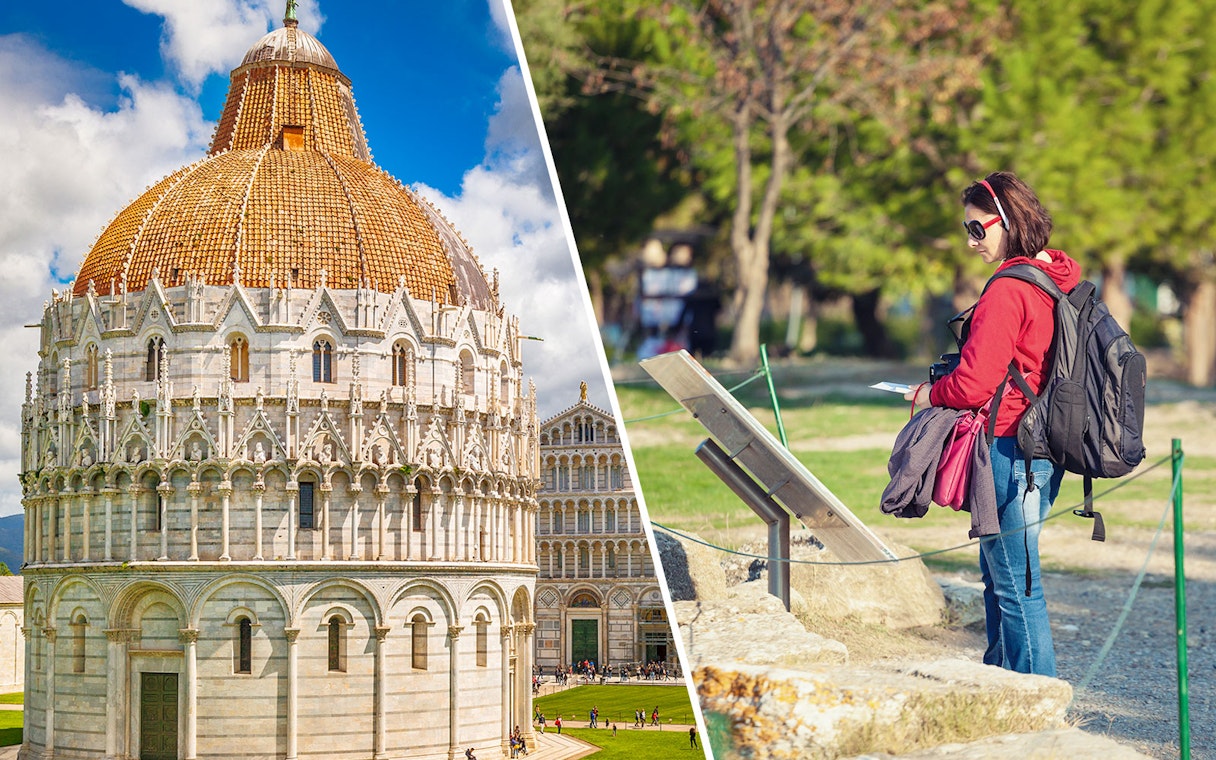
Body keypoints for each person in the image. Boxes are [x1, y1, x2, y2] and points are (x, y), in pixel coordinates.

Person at [906, 171, 1076, 677]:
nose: (969, 240)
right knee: (1006, 577)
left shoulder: (1008, 289)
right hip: (1043, 445)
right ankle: (1002, 684)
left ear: (1008, 222)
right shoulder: (1054, 276)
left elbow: (976, 383)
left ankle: (1035, 704)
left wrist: (927, 393)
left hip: (1008, 446)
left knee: (1017, 585)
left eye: (977, 228)